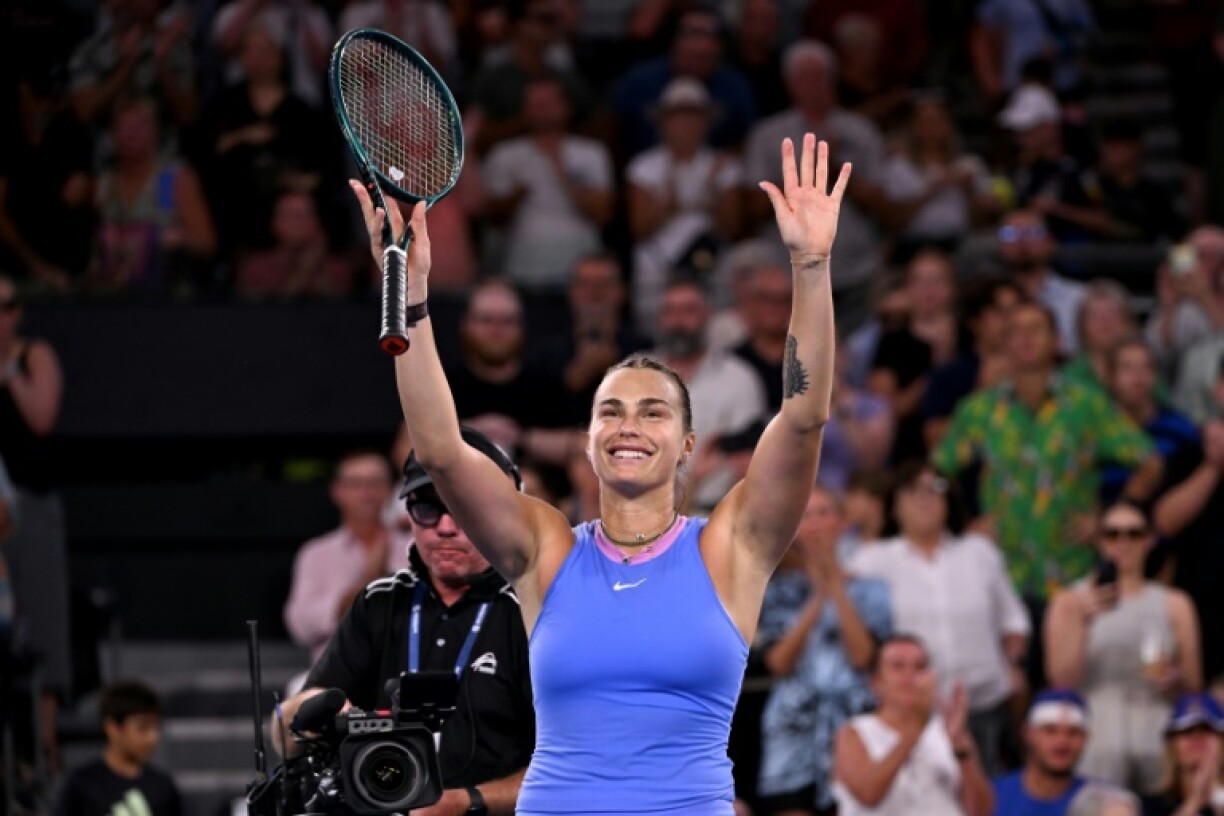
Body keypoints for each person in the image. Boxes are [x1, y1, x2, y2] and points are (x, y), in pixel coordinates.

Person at [347, 133, 848, 813]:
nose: (629, 425)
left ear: (687, 444)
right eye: (609, 411)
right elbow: (438, 449)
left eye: (652, 412)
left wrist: (811, 264)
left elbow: (803, 416)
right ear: (588, 444)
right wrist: (412, 294)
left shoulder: (732, 544)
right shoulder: (545, 548)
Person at [279, 427, 535, 814]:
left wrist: (467, 802)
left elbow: (579, 766)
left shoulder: (535, 610)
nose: (445, 527)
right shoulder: (381, 602)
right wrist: (307, 714)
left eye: (463, 508)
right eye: (427, 507)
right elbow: (287, 732)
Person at [849, 461, 1030, 776]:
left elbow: (1014, 622)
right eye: (912, 490)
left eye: (936, 488)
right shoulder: (872, 560)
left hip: (982, 708)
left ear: (950, 501)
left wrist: (1013, 663)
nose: (925, 497)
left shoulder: (979, 553)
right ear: (894, 506)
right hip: (909, 714)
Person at [1044, 501, 1203, 792]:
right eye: (1113, 534)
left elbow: (1195, 687)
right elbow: (1062, 684)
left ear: (1149, 540)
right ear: (1099, 540)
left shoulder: (1176, 604)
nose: (1123, 543)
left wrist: (1175, 678)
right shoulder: (1070, 601)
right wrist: (1083, 622)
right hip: (1095, 735)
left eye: (1134, 534)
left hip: (1157, 730)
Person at [756, 485, 892, 816]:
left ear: (842, 522)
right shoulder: (778, 591)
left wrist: (836, 585)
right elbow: (778, 661)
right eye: (805, 516)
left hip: (853, 728)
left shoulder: (872, 590)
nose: (815, 524)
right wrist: (818, 597)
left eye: (824, 512)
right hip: (792, 734)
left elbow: (863, 657)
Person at [0, 274, 69, 770]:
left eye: (8, 304)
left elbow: (42, 418)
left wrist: (6, 369)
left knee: (42, 614)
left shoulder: (31, 354)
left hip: (30, 500)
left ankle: (45, 741)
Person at [832, 634, 995, 816]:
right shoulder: (854, 732)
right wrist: (917, 726)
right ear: (876, 682)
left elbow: (981, 811)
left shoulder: (946, 731)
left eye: (920, 666)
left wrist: (961, 748)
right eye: (898, 666)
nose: (910, 675)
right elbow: (868, 794)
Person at [283, 450, 411, 663]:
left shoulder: (413, 547)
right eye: (355, 484)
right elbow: (301, 627)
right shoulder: (316, 553)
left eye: (375, 483)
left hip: (400, 667)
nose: (366, 494)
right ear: (337, 492)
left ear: (391, 491)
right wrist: (366, 583)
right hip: (336, 670)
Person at [54, 680, 182, 816]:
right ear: (113, 729)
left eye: (156, 728)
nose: (153, 738)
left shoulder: (162, 787)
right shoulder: (83, 786)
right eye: (143, 728)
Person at [992, 689, 1092, 816]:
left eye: (1073, 733)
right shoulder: (991, 798)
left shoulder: (1100, 804)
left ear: (1085, 739)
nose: (1061, 743)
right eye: (1050, 731)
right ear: (1028, 734)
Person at [1141, 692, 1224, 816]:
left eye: (1207, 729)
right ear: (1172, 746)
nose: (1197, 737)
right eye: (1187, 731)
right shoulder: (1150, 806)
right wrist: (1195, 801)